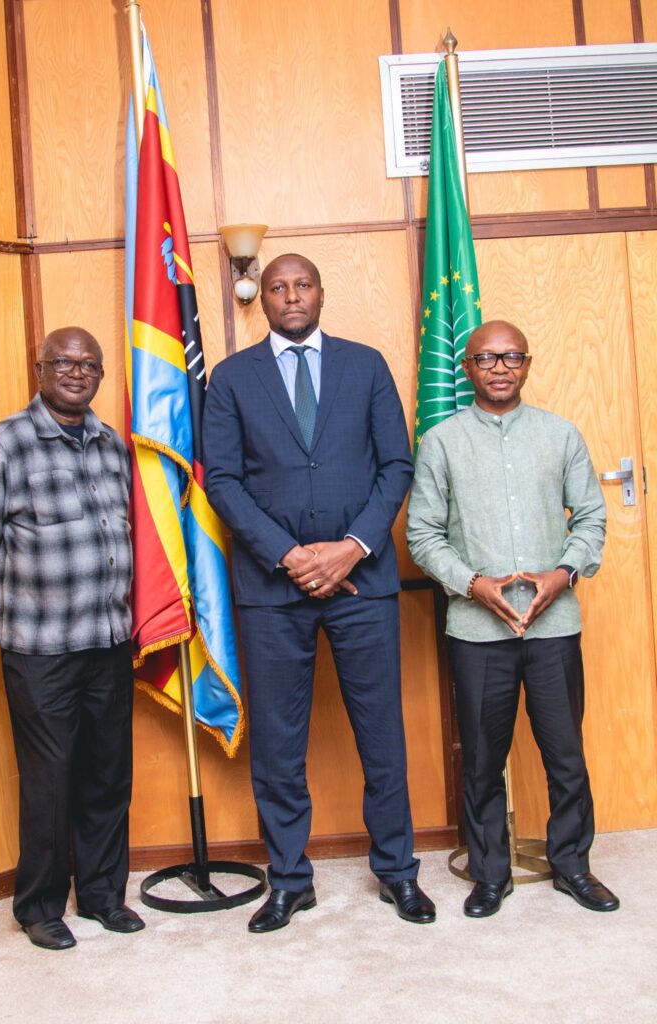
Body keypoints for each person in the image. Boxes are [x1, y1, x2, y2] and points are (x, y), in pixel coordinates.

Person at [203, 253, 434, 933]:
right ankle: (289, 881)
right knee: (277, 743)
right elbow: (221, 480)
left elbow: (397, 464)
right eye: (277, 287)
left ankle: (398, 872)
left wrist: (352, 547)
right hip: (273, 590)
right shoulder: (232, 377)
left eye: (302, 285)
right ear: (263, 300)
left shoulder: (365, 365)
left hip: (362, 581)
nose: (291, 295)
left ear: (322, 294)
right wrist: (288, 554)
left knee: (381, 735)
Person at [407, 319, 619, 918]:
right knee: (480, 760)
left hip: (554, 628)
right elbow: (421, 535)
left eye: (511, 357)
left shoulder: (560, 435)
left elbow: (592, 518)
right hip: (477, 632)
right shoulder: (442, 441)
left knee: (565, 755)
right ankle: (489, 874)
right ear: (467, 369)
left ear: (527, 365)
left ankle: (572, 866)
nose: (499, 368)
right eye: (486, 359)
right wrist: (473, 585)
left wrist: (565, 573)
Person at [0, 326, 144, 950]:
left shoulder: (113, 446)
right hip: (40, 650)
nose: (76, 372)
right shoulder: (5, 446)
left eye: (89, 365)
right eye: (63, 361)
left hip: (109, 641)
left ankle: (101, 896)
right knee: (50, 779)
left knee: (107, 774)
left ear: (99, 376)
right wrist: (20, 602)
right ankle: (37, 906)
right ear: (40, 369)